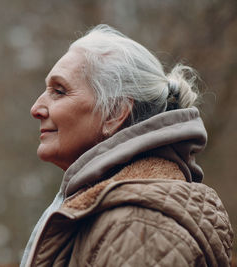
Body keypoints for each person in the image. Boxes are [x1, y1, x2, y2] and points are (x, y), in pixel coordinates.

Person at [21, 25, 234, 267]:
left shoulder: (140, 224)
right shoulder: (115, 212)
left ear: (115, 112)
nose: (36, 108)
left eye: (59, 91)